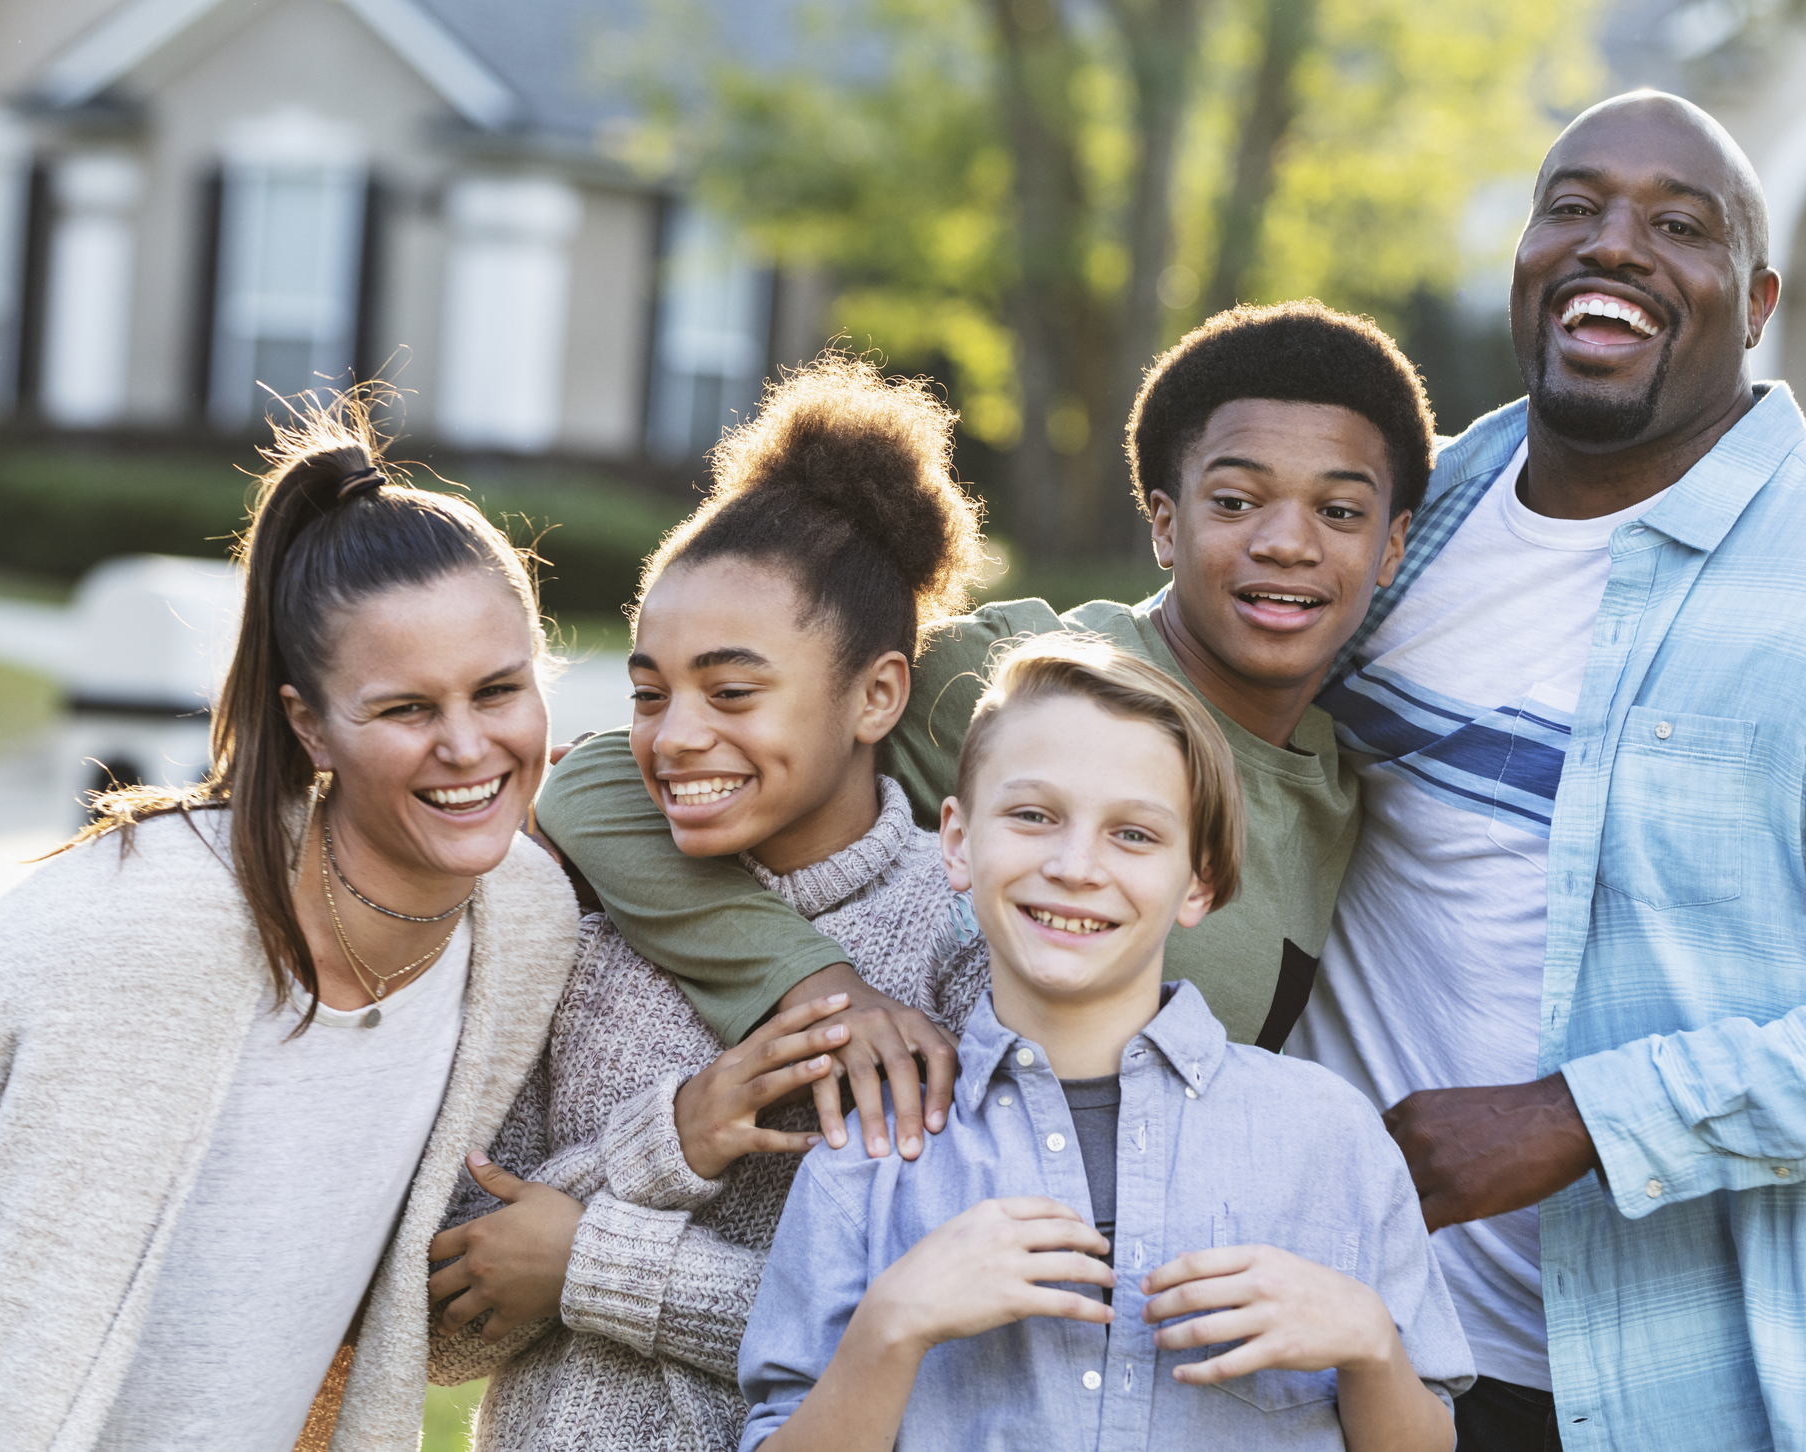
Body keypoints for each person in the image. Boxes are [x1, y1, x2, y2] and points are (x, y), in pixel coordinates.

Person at [1286, 90, 1806, 1450]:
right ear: (1525, 260)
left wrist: (1588, 1117)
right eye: (1572, 207)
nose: (1614, 243)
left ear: (1757, 305)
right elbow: (1141, 710)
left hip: (1675, 1401)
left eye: (1680, 226)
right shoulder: (1393, 526)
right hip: (1328, 1350)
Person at [536, 302, 1428, 1163]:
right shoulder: (1019, 676)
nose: (1286, 543)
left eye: (1339, 512)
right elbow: (598, 781)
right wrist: (812, 988)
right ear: (1164, 523)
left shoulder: (1348, 797)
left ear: (1393, 546)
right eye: (1234, 501)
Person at [0, 394, 581, 1452]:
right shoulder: (136, 922)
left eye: (498, 691)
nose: (467, 747)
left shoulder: (525, 925)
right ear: (311, 725)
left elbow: (418, 1325)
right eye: (406, 708)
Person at [423, 356, 992, 1450]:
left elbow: (954, 1338)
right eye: (650, 694)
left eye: (732, 691)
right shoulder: (568, 914)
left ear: (877, 694)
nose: (677, 736)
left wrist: (593, 1263)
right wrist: (671, 1140)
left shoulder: (960, 938)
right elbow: (447, 1320)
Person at [738, 636, 1473, 1452]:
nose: (1076, 866)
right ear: (957, 841)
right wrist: (891, 1326)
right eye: (1033, 816)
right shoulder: (866, 1165)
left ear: (1199, 881)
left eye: (1134, 834)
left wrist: (1371, 1345)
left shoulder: (1330, 1137)